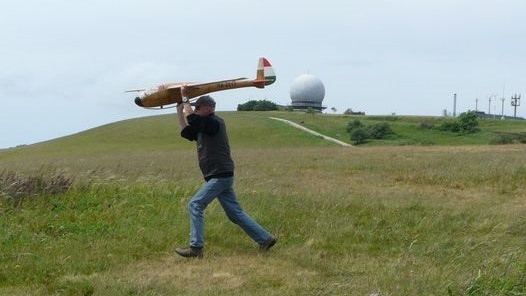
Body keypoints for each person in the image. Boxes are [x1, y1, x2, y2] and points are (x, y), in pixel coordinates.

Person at [174, 86, 276, 258]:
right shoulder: (202, 126)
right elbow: (185, 130)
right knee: (235, 214)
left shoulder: (215, 123)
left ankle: (196, 248)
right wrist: (179, 108)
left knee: (195, 204)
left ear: (209, 108)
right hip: (219, 175)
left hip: (220, 175)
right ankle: (265, 239)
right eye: (195, 108)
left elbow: (192, 118)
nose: (196, 111)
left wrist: (184, 98)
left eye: (198, 108)